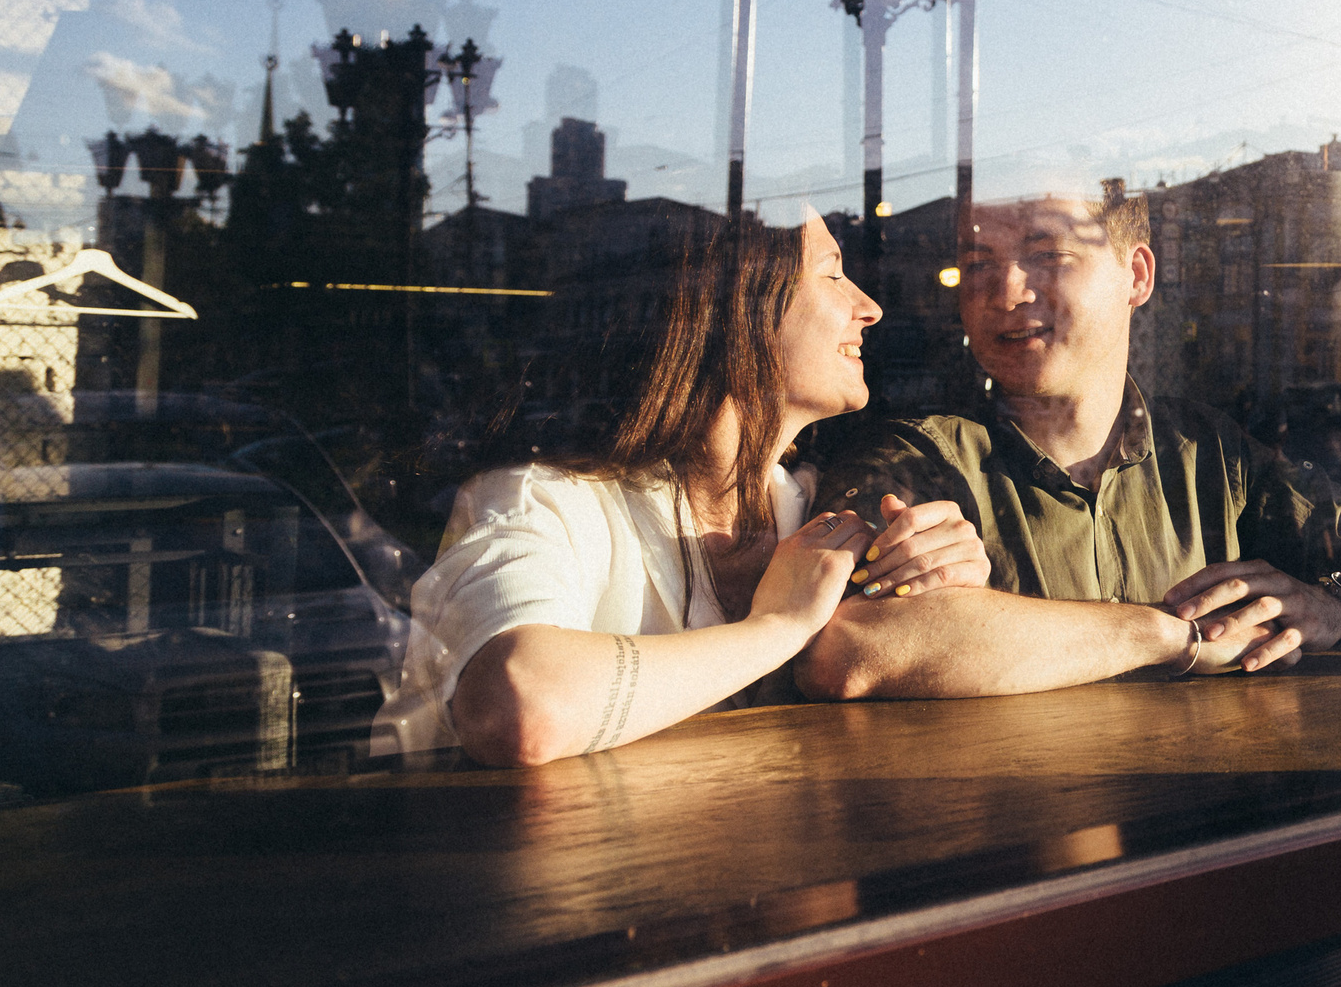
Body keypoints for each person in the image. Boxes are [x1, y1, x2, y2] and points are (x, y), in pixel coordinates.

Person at [385, 212, 992, 765]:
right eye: (832, 273)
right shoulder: (542, 502)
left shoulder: (818, 507)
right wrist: (777, 628)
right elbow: (520, 706)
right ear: (734, 309)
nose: (869, 307)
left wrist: (952, 586)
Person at [795, 187, 1341, 701]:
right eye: (978, 264)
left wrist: (1338, 606)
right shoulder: (915, 463)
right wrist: (1169, 635)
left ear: (1136, 275)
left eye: (1047, 255)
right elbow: (848, 647)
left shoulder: (1210, 453)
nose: (1006, 293)